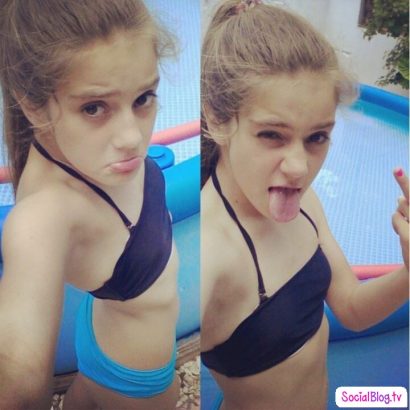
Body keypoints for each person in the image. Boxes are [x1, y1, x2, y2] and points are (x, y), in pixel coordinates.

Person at [200, 1, 409, 409]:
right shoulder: (210, 254)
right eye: (272, 135)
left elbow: (352, 309)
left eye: (317, 138)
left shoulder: (304, 203)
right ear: (218, 118)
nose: (298, 168)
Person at [0, 1, 182, 409]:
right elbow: (18, 372)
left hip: (105, 334)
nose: (132, 138)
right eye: (94, 108)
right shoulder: (45, 213)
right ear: (32, 105)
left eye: (144, 98)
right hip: (133, 378)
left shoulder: (84, 152)